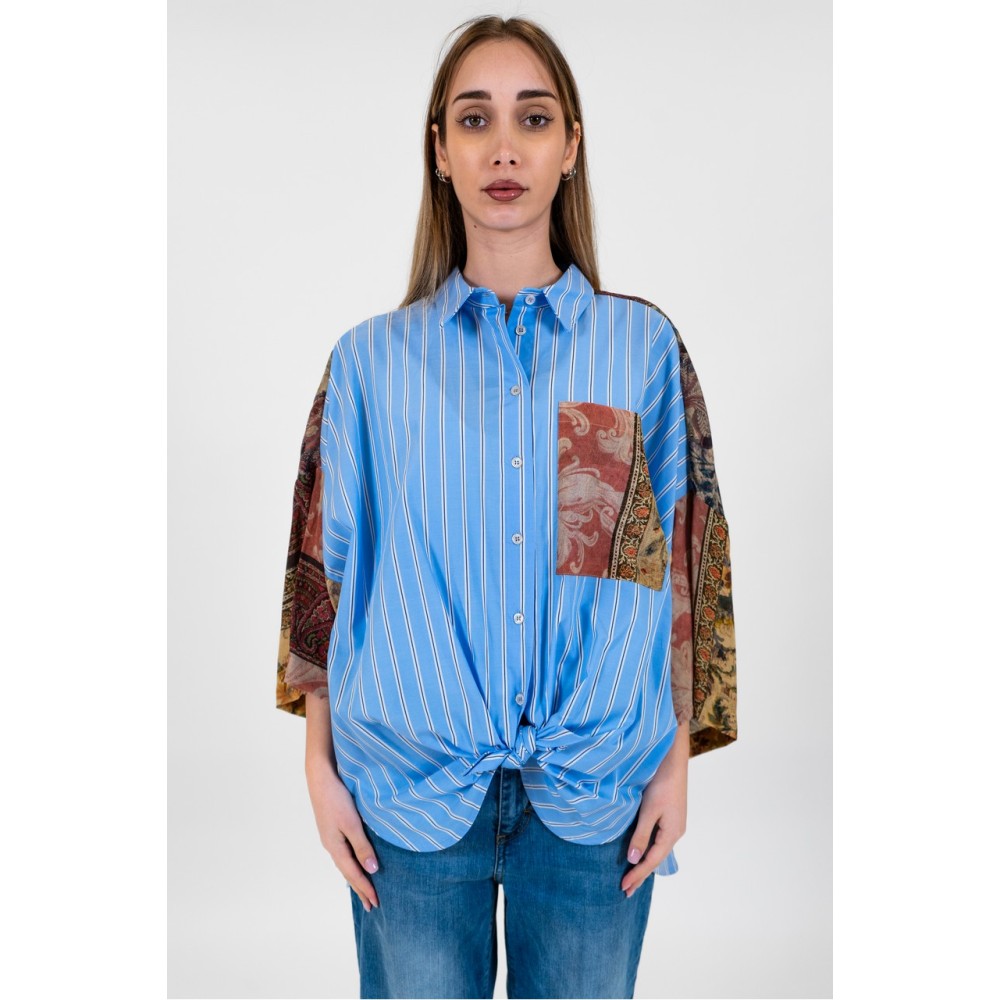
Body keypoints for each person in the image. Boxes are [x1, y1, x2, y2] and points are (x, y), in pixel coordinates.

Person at [275, 14, 737, 1000]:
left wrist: (676, 763)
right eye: (473, 119)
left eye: (533, 118)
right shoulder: (368, 364)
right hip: (404, 795)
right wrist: (319, 769)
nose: (503, 148)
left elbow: (680, 570)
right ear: (439, 151)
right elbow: (322, 572)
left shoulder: (638, 351)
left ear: (570, 147)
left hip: (594, 796)